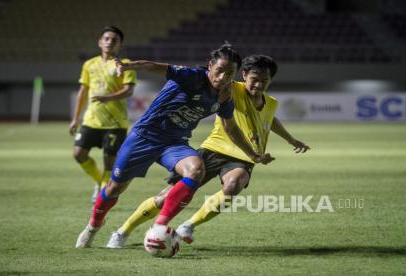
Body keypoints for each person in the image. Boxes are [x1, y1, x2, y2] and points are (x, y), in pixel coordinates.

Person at [75, 44, 274, 248]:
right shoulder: (192, 76)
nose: (223, 77)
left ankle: (159, 227)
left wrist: (253, 154)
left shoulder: (225, 96)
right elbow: (156, 66)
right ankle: (93, 226)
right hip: (144, 137)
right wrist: (130, 67)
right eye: (220, 70)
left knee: (196, 170)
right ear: (210, 66)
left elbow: (231, 128)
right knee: (115, 188)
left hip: (174, 143)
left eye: (229, 73)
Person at [105, 55, 310, 248]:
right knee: (164, 198)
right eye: (254, 79)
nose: (258, 84)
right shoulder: (230, 88)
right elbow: (206, 79)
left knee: (233, 185)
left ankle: (188, 225)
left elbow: (270, 119)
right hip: (213, 149)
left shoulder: (271, 102)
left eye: (264, 80)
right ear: (244, 74)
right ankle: (123, 231)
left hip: (243, 156)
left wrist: (290, 139)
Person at [70, 26, 137, 202]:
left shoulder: (125, 64)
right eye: (106, 39)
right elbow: (82, 92)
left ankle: (101, 195)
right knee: (78, 154)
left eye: (114, 40)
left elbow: (129, 90)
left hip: (115, 123)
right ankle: (100, 182)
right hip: (91, 120)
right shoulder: (89, 64)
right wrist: (75, 119)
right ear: (100, 42)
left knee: (109, 161)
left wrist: (108, 98)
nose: (109, 42)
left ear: (119, 45)